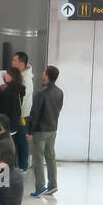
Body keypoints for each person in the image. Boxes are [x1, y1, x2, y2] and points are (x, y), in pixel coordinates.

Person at [29, 64, 64, 198]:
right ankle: (53, 184)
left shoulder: (41, 94)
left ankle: (40, 187)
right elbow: (59, 109)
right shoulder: (60, 92)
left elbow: (35, 114)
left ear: (47, 76)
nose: (42, 73)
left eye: (44, 72)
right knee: (50, 157)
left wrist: (30, 131)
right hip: (53, 129)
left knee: (38, 158)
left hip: (40, 130)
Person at [11, 52, 35, 172]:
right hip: (21, 116)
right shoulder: (22, 76)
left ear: (21, 63)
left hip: (22, 116)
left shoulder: (25, 80)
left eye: (14, 60)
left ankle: (22, 167)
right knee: (19, 142)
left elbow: (22, 101)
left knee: (21, 143)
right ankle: (20, 167)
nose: (12, 62)